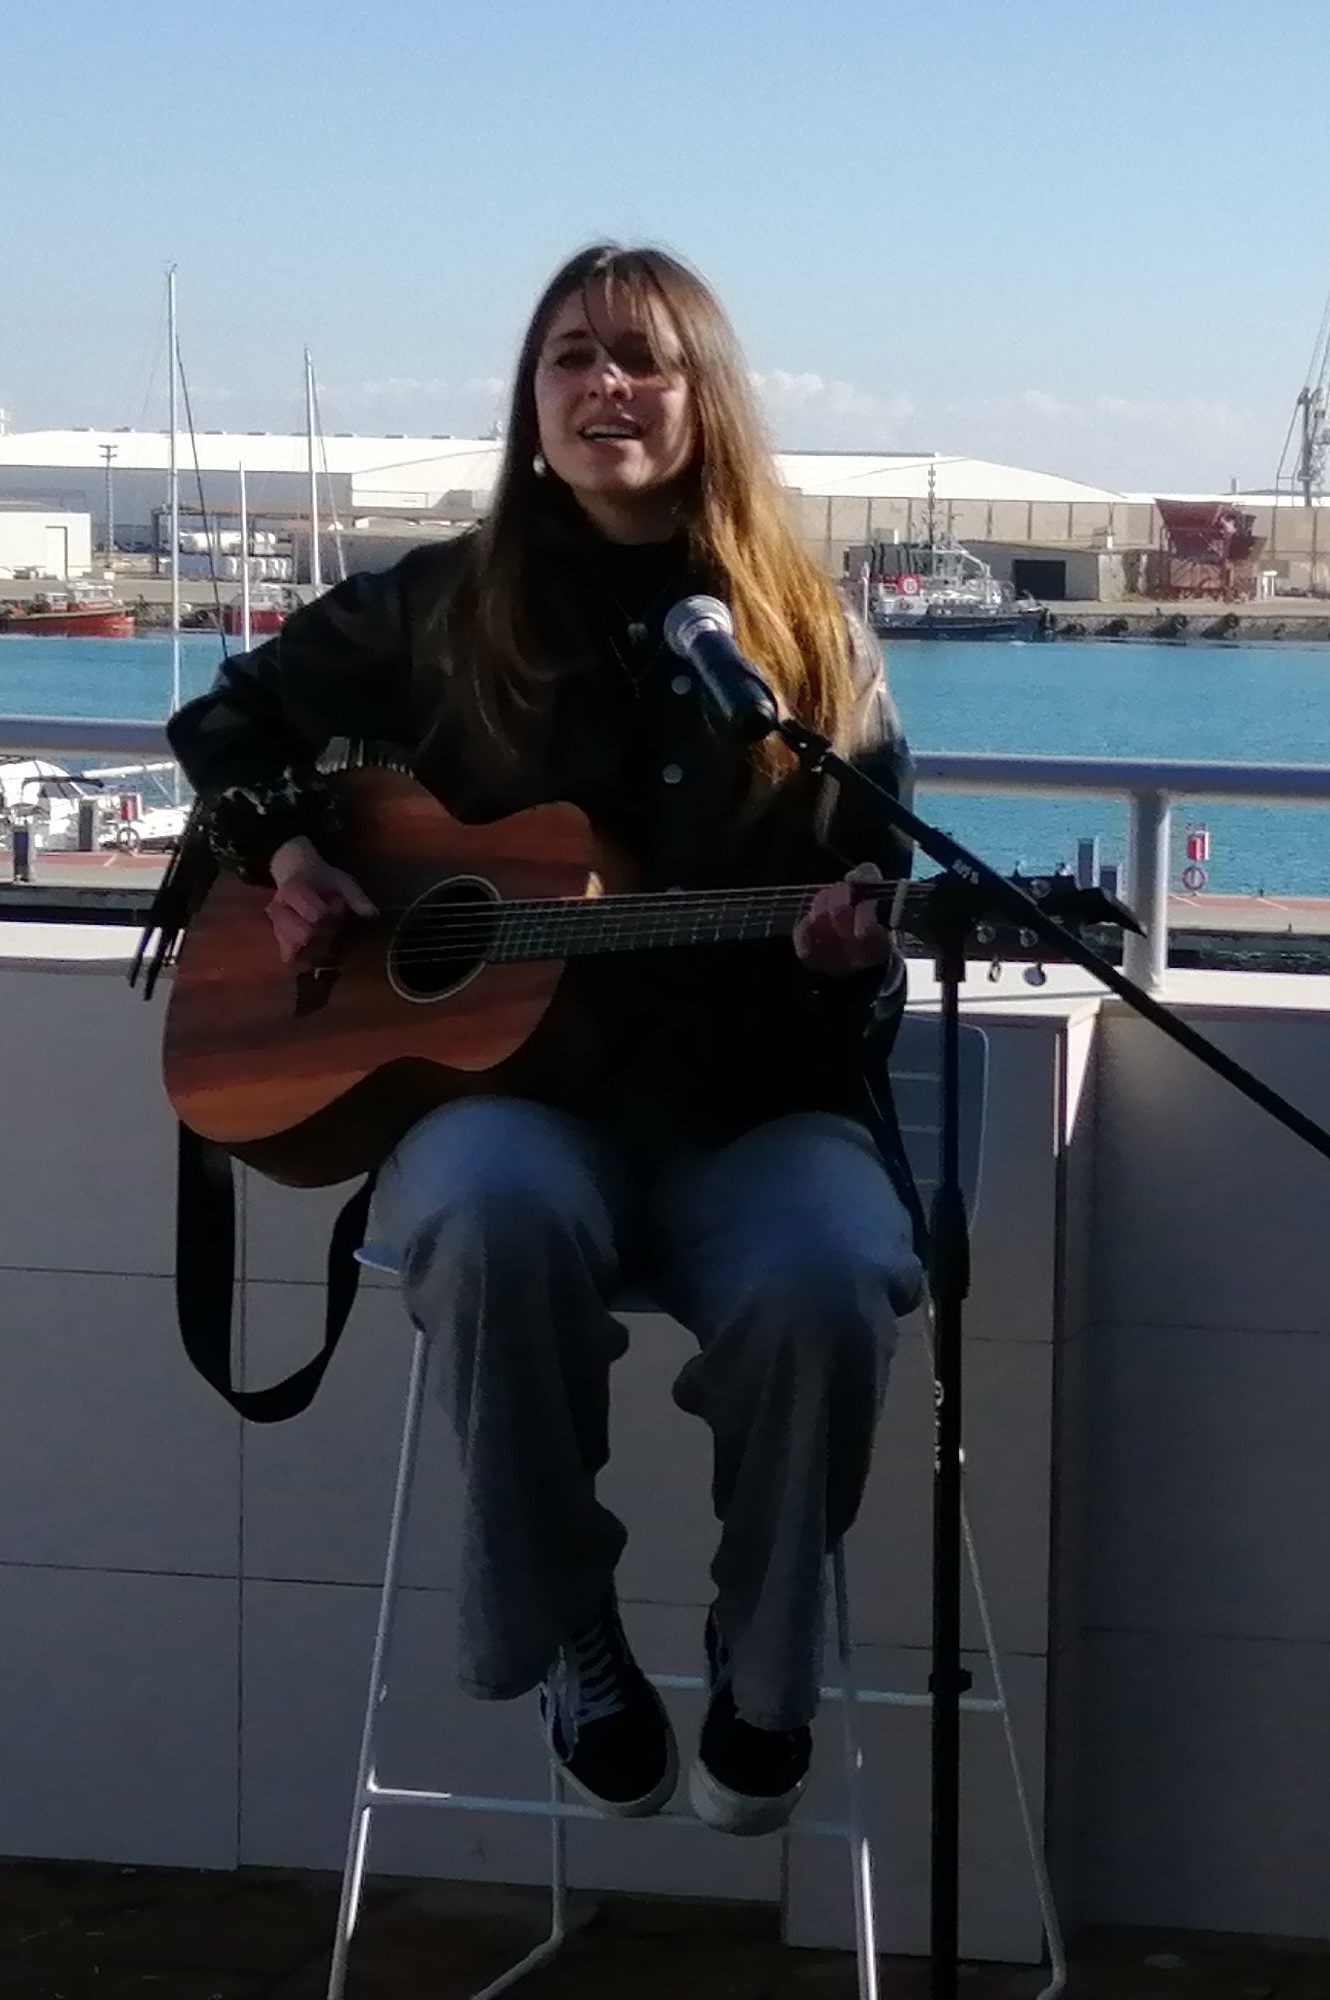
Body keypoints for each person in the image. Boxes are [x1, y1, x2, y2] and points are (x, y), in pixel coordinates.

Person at [164, 243, 917, 1834]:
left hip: (753, 1103)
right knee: (493, 1216)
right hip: (512, 1102)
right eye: (570, 358)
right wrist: (294, 864)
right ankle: (568, 1629)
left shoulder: (803, 634)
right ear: (532, 398)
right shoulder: (446, 603)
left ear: (705, 398)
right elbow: (224, 724)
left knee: (831, 1279)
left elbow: (877, 903)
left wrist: (850, 954)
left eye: (641, 359)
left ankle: (763, 1673)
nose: (603, 387)